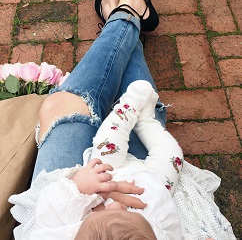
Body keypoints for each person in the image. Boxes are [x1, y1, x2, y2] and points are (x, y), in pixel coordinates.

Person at [9, 0, 236, 239]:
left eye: (105, 211)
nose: (116, 202)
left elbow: (48, 218)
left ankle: (122, 14)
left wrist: (77, 189)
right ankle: (126, 13)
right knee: (143, 115)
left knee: (62, 106)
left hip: (87, 181)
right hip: (153, 188)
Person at [28, 80, 184, 239]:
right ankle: (147, 122)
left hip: (108, 176)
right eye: (124, 212)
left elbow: (49, 210)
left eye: (111, 211)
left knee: (108, 142)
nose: (119, 206)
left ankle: (127, 108)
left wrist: (78, 188)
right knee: (172, 155)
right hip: (153, 188)